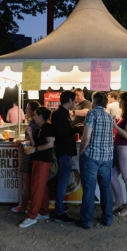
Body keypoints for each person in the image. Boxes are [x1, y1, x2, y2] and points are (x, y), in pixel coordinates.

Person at [76, 91, 114, 229]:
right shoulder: (109, 117)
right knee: (105, 188)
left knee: (89, 188)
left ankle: (86, 220)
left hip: (91, 156)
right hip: (107, 157)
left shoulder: (92, 114)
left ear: (95, 101)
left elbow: (86, 137)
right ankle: (108, 217)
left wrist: (81, 150)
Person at [19, 107, 54, 228]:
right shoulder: (41, 128)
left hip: (43, 161)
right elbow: (36, 145)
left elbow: (50, 143)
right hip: (38, 159)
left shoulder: (47, 127)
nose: (34, 117)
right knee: (42, 187)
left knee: (36, 187)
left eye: (35, 115)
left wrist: (36, 149)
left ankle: (32, 215)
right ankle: (44, 212)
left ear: (40, 116)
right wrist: (30, 135)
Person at [51, 91, 78, 223]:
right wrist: (75, 130)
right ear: (69, 101)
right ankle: (59, 212)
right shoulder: (60, 115)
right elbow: (63, 134)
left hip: (64, 151)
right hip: (63, 151)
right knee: (63, 180)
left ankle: (60, 207)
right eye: (74, 101)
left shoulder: (61, 113)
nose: (75, 103)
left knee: (63, 180)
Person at [12, 101, 40, 213]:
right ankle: (26, 204)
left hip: (28, 155)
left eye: (28, 109)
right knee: (28, 182)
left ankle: (24, 205)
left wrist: (19, 141)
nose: (26, 111)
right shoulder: (35, 123)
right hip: (30, 154)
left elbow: (31, 140)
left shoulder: (33, 124)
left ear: (33, 111)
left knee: (27, 182)